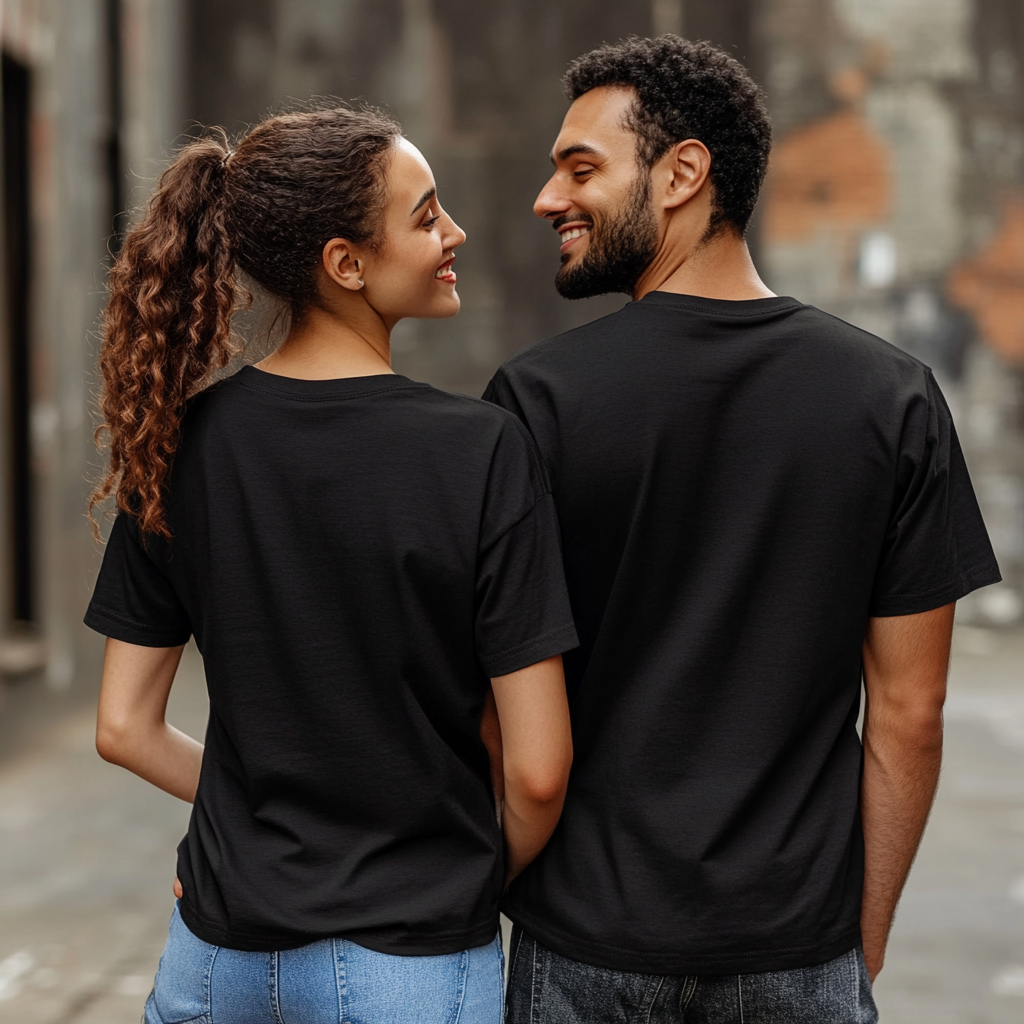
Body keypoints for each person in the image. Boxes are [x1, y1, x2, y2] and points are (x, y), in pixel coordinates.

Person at [483, 35, 1001, 1024]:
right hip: (796, 942)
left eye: (579, 167)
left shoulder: (537, 402)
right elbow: (908, 713)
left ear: (683, 173)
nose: (548, 198)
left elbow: (495, 713)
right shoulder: (889, 398)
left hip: (586, 940)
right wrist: (860, 943)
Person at [85, 105, 577, 1024]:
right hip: (410, 964)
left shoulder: (181, 448)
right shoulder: (481, 451)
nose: (453, 232)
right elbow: (538, 772)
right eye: (426, 215)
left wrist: (258, 818)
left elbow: (123, 726)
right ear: (345, 264)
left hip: (217, 958)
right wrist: (459, 869)